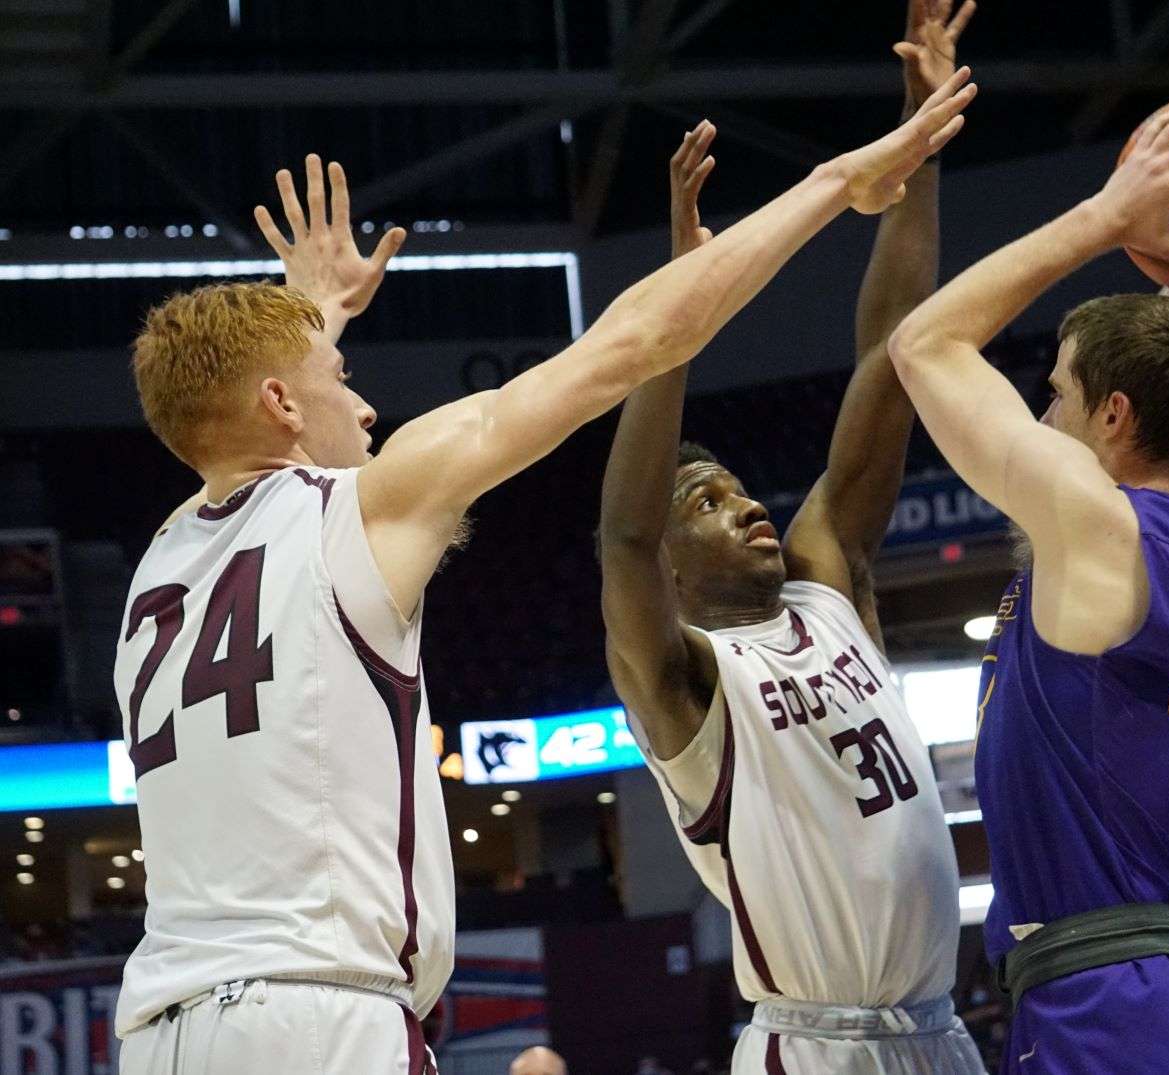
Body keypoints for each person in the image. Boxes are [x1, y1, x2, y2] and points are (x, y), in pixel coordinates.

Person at [112, 70, 976, 1075]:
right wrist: (837, 181)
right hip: (320, 1018)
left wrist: (310, 319)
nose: (368, 412)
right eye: (343, 383)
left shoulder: (163, 563)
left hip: (160, 1031)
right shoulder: (365, 505)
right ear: (281, 404)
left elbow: (231, 420)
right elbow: (635, 341)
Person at [598, 4, 984, 1073]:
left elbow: (896, 352)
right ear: (675, 568)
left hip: (944, 1033)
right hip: (813, 1047)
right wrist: (678, 312)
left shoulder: (826, 584)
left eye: (738, 488)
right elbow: (622, 537)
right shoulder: (685, 684)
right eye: (711, 504)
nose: (750, 505)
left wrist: (919, 138)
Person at [888, 104, 1169, 1074]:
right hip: (1120, 994)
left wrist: (1109, 217)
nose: (1039, 414)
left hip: (1114, 1006)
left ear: (1115, 414)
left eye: (1058, 395)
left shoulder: (1104, 530)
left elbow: (926, 345)